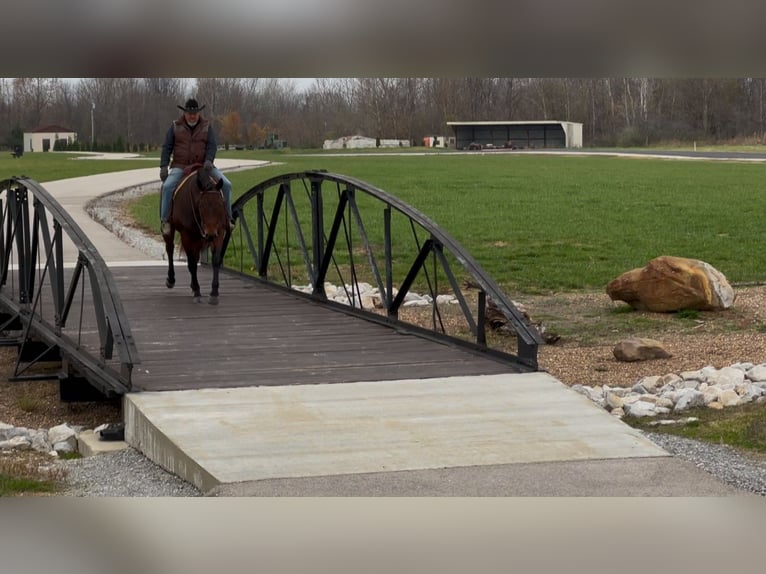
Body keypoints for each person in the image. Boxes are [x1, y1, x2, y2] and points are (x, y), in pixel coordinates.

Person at [159, 98, 235, 237]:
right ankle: (166, 221)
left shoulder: (207, 126)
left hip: (203, 166)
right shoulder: (175, 126)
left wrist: (209, 160)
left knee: (227, 185)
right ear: (185, 113)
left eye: (195, 113)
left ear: (199, 113)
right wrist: (163, 166)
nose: (192, 116)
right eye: (189, 113)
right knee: (167, 187)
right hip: (181, 166)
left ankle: (228, 219)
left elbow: (212, 146)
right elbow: (167, 147)